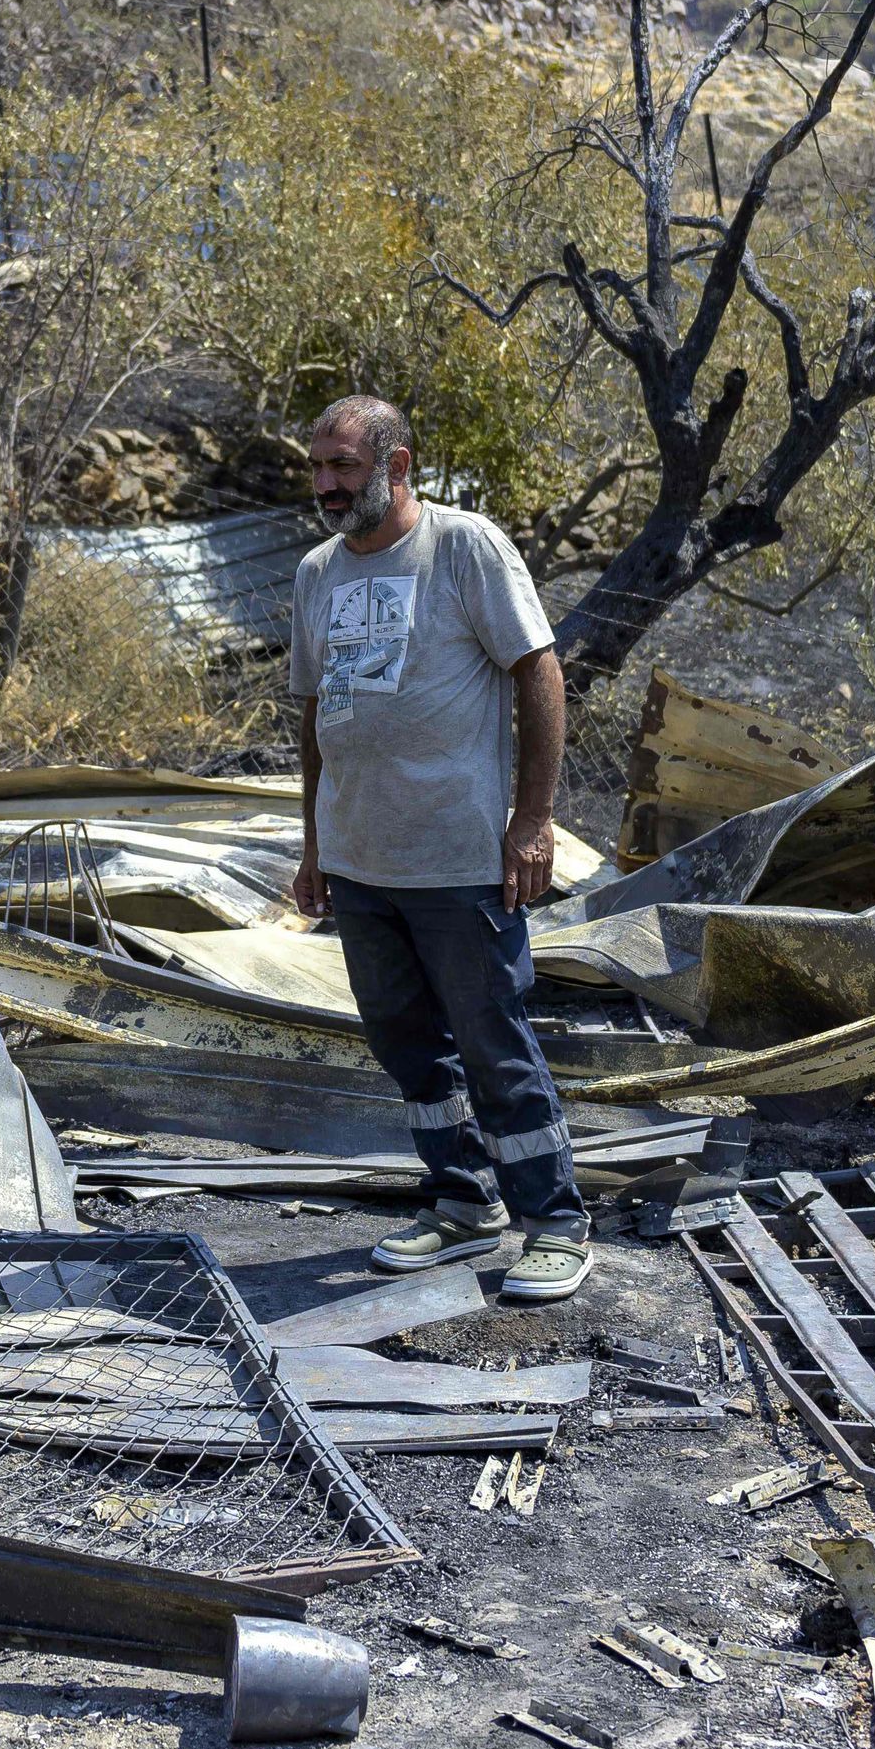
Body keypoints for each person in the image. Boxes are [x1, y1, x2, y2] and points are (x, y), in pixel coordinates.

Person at [285, 394, 590, 1302]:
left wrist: (532, 821)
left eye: (344, 465)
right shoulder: (315, 572)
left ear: (398, 464)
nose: (329, 485)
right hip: (360, 860)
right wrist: (313, 844)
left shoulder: (463, 548)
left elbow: (539, 669)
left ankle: (556, 1222)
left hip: (458, 860)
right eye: (318, 467)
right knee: (409, 1046)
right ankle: (461, 1205)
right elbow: (314, 711)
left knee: (494, 1038)